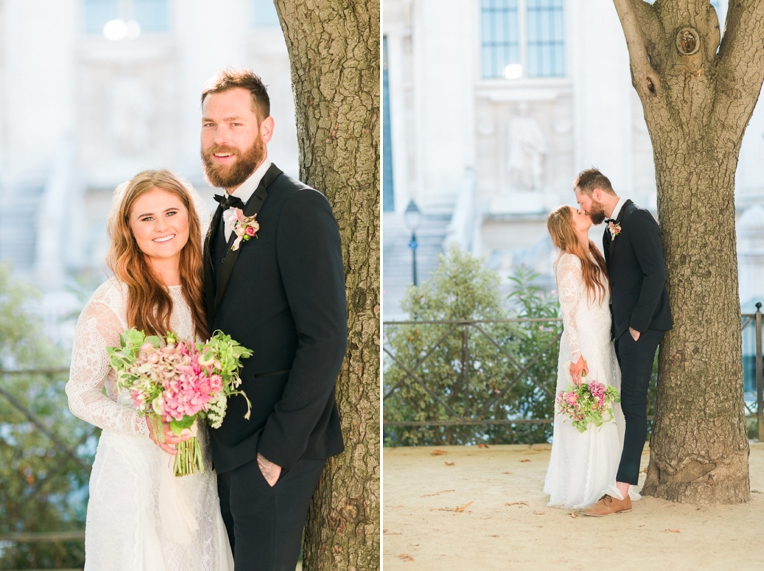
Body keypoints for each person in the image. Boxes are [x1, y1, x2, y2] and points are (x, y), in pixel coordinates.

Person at [200, 69, 347, 570]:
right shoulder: (217, 215)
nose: (219, 138)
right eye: (209, 124)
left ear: (266, 130)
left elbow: (324, 338)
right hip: (227, 446)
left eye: (235, 124)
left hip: (274, 451)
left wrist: (276, 452)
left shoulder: (300, 208)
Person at [66, 170, 234, 570]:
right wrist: (148, 425)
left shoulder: (207, 291)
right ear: (129, 229)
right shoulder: (112, 302)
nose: (162, 226)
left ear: (190, 218)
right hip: (134, 472)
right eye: (146, 218)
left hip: (198, 467)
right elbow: (80, 394)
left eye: (171, 212)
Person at [574, 168, 672, 516]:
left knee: (632, 406)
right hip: (623, 329)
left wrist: (637, 327)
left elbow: (656, 273)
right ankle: (619, 487)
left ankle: (620, 493)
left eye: (583, 202)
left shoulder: (639, 218)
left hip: (641, 330)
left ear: (597, 195)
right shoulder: (609, 231)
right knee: (626, 405)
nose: (584, 209)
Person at [543, 204, 633, 509]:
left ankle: (609, 479)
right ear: (569, 226)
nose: (583, 212)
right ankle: (584, 484)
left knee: (607, 409)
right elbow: (568, 315)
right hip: (583, 347)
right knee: (589, 412)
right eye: (576, 213)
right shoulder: (568, 262)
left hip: (603, 343)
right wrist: (577, 356)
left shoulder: (593, 253)